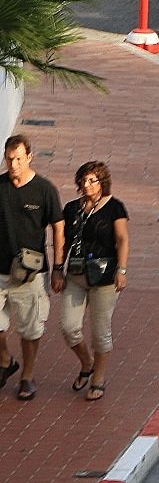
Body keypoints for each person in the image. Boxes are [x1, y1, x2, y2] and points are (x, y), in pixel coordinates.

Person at [55, 161, 128, 402]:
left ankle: (98, 377)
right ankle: (87, 362)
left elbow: (122, 239)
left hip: (104, 277)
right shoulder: (72, 208)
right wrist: (58, 269)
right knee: (69, 327)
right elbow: (62, 241)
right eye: (83, 180)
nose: (87, 185)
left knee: (100, 331)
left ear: (102, 182)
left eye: (92, 180)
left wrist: (123, 270)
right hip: (76, 276)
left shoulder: (115, 208)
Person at [0, 135, 63, 402]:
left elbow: (58, 227)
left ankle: (27, 375)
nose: (13, 164)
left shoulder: (44, 189)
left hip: (31, 273)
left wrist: (59, 266)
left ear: (29, 157)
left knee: (30, 329)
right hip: (0, 269)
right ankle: (5, 360)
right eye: (8, 158)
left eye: (18, 158)